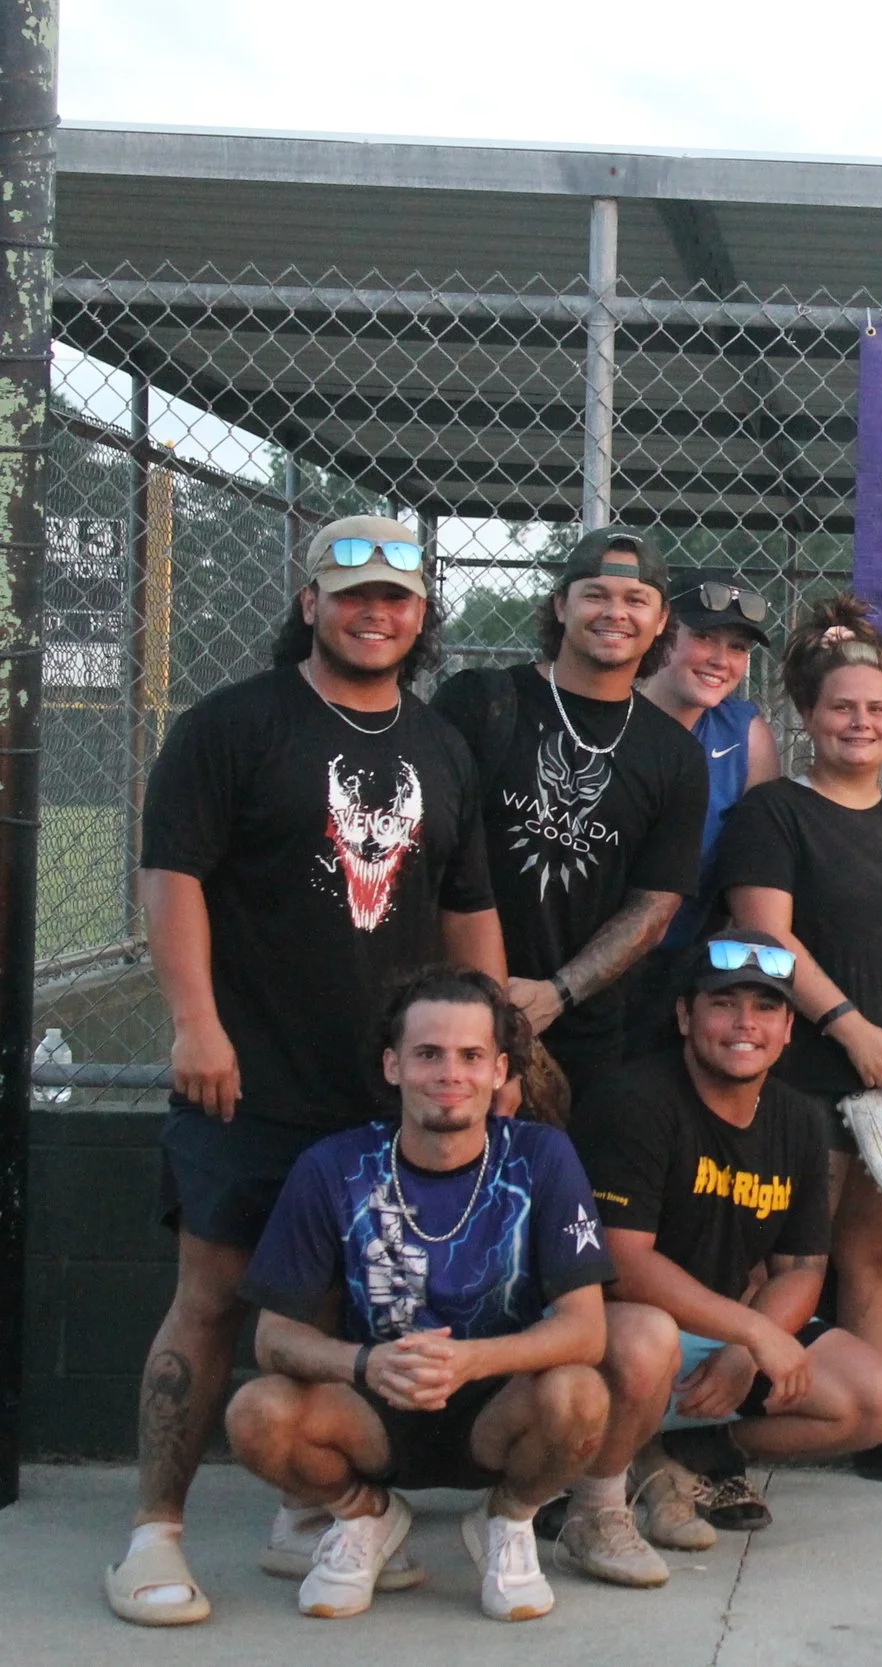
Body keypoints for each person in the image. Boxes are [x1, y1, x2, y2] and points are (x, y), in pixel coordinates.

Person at [107, 515, 507, 1628]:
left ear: (423, 615)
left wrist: (496, 1053)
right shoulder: (233, 726)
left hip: (384, 1089)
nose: (374, 612)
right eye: (351, 593)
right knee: (213, 1295)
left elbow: (470, 907)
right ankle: (154, 1531)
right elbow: (172, 875)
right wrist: (194, 1022)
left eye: (395, 596)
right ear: (309, 602)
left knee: (349, 1298)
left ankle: (312, 1509)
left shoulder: (440, 744)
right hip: (248, 1080)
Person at [221, 967, 681, 1622]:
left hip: (501, 1409)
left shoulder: (541, 1157)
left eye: (470, 1056)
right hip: (375, 1406)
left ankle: (508, 1520)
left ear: (499, 1070)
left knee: (579, 1391)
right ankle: (366, 1516)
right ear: (392, 1064)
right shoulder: (332, 1165)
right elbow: (273, 1337)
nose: (450, 1072)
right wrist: (365, 1363)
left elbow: (585, 1330)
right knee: (255, 1413)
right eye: (428, 1053)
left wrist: (472, 1360)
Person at [720, 596, 882, 1490]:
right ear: (809, 714)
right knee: (770, 1260)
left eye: (876, 707)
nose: (861, 722)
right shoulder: (775, 815)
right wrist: (851, 1029)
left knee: (877, 1259)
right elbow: (767, 939)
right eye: (842, 707)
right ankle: (705, 1435)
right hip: (799, 1079)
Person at [571, 928, 882, 1531]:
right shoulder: (633, 1101)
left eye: (765, 1007)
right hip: (623, 1336)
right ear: (684, 1015)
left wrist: (743, 1352)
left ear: (786, 1030)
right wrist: (751, 1332)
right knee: (647, 1338)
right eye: (723, 1003)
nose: (744, 1023)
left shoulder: (798, 1120)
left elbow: (802, 1268)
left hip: (718, 1338)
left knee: (877, 1398)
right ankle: (606, 1467)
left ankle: (688, 1455)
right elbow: (622, 1262)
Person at [433, 526, 709, 1096]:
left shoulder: (675, 754)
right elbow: (427, 853)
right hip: (448, 1016)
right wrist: (484, 998)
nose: (615, 613)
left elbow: (655, 906)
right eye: (595, 595)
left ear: (661, 623)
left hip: (585, 1035)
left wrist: (557, 992)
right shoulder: (478, 701)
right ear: (561, 606)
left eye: (636, 600)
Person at [622, 566, 780, 1053]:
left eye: (738, 648)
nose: (721, 660)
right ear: (661, 631)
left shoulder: (745, 734)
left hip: (683, 965)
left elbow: (753, 877)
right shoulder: (611, 716)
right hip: (581, 955)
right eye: (705, 637)